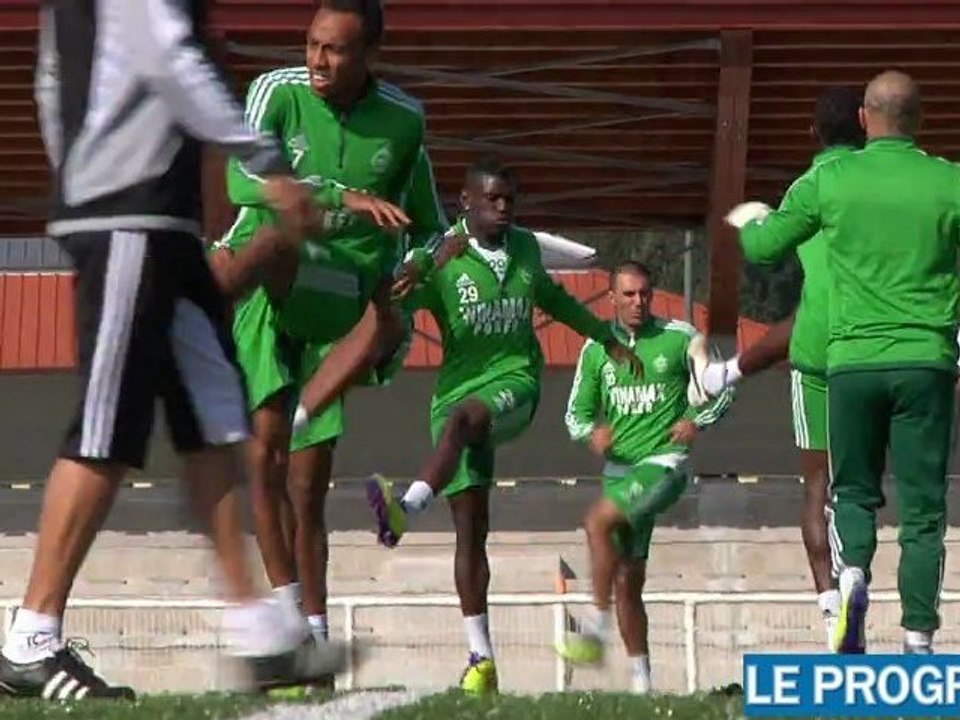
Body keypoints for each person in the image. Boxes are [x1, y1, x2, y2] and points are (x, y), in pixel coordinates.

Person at [0, 0, 347, 702]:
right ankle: (29, 640)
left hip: (156, 219)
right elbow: (172, 57)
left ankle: (261, 632)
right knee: (107, 427)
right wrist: (268, 164)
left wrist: (76, 172)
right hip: (128, 213)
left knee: (216, 413)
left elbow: (51, 80)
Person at [209, 0, 447, 660]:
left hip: (339, 295)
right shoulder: (276, 93)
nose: (317, 60)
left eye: (336, 50)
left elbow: (428, 222)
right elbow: (241, 176)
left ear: (370, 55)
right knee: (267, 460)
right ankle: (299, 628)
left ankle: (307, 622)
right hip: (273, 288)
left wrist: (416, 265)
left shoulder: (404, 120)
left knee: (307, 486)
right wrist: (339, 196)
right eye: (312, 44)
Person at [357, 156, 640, 694]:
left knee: (467, 420)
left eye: (510, 200)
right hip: (452, 397)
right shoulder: (439, 255)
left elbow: (553, 299)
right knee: (470, 531)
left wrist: (605, 339)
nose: (504, 208)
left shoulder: (526, 249)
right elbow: (390, 301)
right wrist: (416, 269)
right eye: (493, 199)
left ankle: (407, 507)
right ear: (466, 202)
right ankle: (481, 660)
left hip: (514, 384)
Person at [727, 70, 960, 655]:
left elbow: (762, 248)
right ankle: (918, 639)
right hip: (925, 361)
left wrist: (752, 217)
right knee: (924, 507)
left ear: (864, 119)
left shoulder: (829, 181)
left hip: (851, 361)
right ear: (921, 119)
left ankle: (852, 575)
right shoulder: (949, 181)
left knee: (853, 492)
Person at [701, 86, 867, 646]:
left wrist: (751, 221)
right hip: (879, 349)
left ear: (813, 133)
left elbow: (764, 250)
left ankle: (830, 605)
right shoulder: (881, 185)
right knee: (864, 486)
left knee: (816, 487)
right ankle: (860, 582)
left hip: (819, 351)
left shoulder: (809, 186)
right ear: (866, 125)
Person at [555, 261, 734, 692]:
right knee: (628, 580)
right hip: (619, 472)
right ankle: (642, 684)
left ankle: (594, 629)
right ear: (612, 297)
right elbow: (574, 415)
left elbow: (722, 385)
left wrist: (697, 421)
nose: (639, 302)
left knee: (597, 522)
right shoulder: (597, 347)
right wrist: (591, 434)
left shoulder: (680, 337)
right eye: (630, 295)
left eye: (645, 294)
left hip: (664, 465)